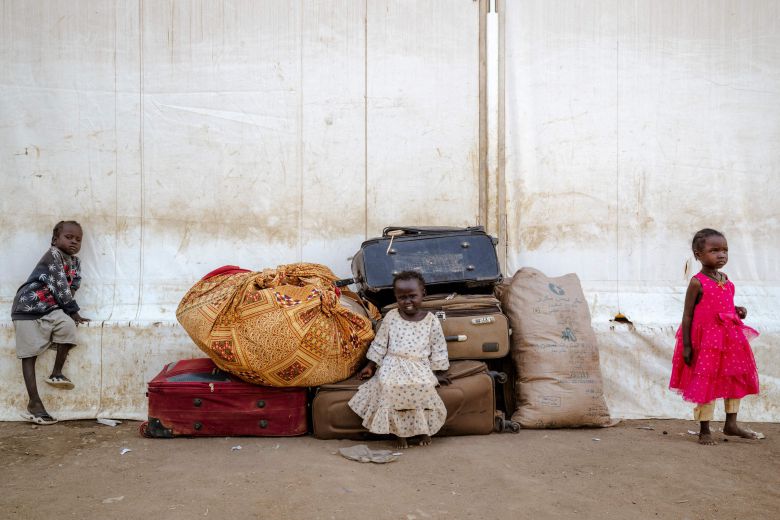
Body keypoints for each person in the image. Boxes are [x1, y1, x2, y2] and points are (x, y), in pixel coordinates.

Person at [669, 228, 761, 445]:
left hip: (729, 341)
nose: (721, 255)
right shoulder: (697, 282)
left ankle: (731, 424)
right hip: (707, 343)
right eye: (714, 250)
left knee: (734, 378)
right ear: (698, 255)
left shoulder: (725, 279)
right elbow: (688, 315)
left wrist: (737, 310)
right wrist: (687, 346)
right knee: (706, 382)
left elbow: (723, 305)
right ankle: (705, 429)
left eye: (725, 250)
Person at [348, 271, 450, 449]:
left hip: (419, 365)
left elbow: (439, 347)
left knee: (424, 385)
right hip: (393, 364)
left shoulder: (431, 320)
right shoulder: (391, 316)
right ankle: (399, 432)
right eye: (402, 297)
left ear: (423, 293)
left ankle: (423, 429)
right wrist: (371, 365)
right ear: (396, 297)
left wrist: (438, 373)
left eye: (412, 296)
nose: (407, 301)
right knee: (388, 385)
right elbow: (380, 343)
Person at [12, 221, 90, 425]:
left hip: (51, 308)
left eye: (78, 239)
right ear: (55, 240)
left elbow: (73, 286)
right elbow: (61, 286)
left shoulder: (76, 262)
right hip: (28, 307)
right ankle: (34, 404)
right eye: (68, 237)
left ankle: (56, 373)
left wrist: (70, 312)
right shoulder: (52, 255)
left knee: (68, 327)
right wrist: (73, 311)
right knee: (28, 355)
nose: (74, 241)